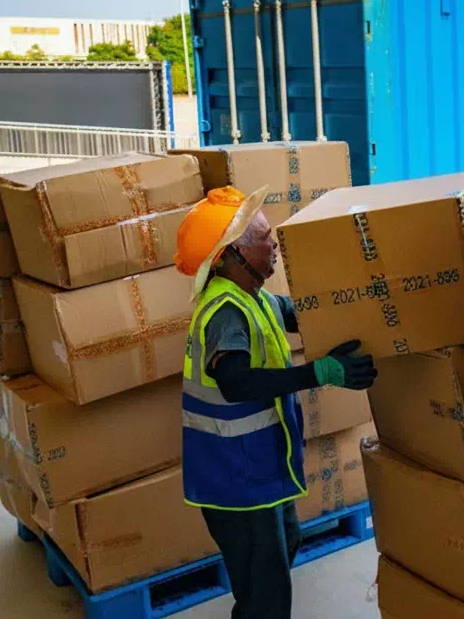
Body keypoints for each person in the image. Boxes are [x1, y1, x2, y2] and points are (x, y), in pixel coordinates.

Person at [174, 186, 377, 619]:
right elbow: (236, 382)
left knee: (285, 545)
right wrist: (319, 373)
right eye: (265, 238)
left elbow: (300, 313)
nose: (275, 245)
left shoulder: (255, 297)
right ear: (234, 254)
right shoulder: (225, 311)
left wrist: (361, 302)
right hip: (236, 478)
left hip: (261, 469)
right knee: (266, 596)